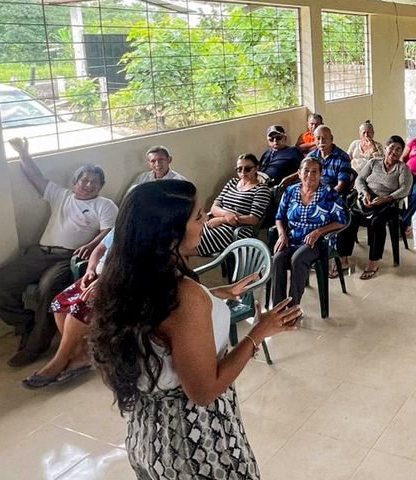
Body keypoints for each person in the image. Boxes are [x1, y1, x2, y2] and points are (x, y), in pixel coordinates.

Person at [87, 180, 301, 478]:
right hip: (195, 443)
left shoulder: (127, 278)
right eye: (198, 216)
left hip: (149, 433)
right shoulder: (184, 296)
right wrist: (258, 333)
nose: (206, 221)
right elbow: (203, 391)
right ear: (171, 231)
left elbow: (165, 318)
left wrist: (217, 294)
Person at [0, 137, 117, 367]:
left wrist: (90, 245)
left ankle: (35, 346)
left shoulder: (104, 205)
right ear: (74, 182)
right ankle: (26, 323)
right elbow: (35, 176)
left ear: (101, 185)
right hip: (39, 253)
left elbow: (109, 232)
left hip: (67, 258)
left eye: (94, 182)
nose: (89, 185)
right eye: (84, 180)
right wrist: (23, 152)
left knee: (47, 290)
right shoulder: (61, 195)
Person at [21, 229, 115, 389]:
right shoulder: (118, 227)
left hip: (115, 279)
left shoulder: (139, 229)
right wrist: (90, 270)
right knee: (59, 304)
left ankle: (60, 359)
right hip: (97, 277)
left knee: (77, 311)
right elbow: (99, 249)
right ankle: (80, 354)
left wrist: (103, 280)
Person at [273, 158, 347, 311]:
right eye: (306, 171)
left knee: (297, 258)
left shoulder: (328, 193)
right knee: (278, 259)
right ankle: (277, 310)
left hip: (320, 241)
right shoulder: (291, 191)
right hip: (293, 238)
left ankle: (293, 309)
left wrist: (319, 231)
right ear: (299, 173)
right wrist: (282, 235)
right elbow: (279, 217)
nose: (310, 175)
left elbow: (342, 221)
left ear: (321, 174)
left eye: (314, 172)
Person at [337, 136, 413, 280]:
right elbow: (360, 179)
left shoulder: (403, 169)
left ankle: (373, 262)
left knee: (376, 222)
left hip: (389, 203)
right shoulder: (373, 163)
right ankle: (343, 259)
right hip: (367, 199)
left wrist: (386, 198)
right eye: (391, 148)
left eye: (398, 149)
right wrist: (364, 193)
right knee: (349, 218)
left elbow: (405, 189)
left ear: (401, 152)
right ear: (385, 149)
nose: (394, 152)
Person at [196, 154, 272, 257]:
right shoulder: (232, 182)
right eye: (239, 169)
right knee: (188, 233)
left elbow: (253, 219)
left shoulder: (261, 190)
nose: (243, 173)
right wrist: (226, 214)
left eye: (247, 169)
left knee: (193, 242)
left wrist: (222, 220)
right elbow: (214, 207)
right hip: (215, 222)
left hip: (237, 229)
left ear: (256, 168)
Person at [306, 125, 352, 194]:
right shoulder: (311, 156)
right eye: (318, 139)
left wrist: (327, 197)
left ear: (331, 139)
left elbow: (341, 185)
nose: (321, 141)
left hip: (331, 194)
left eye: (324, 138)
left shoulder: (342, 157)